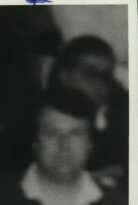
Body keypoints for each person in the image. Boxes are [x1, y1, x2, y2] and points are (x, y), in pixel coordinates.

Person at [51, 35, 128, 188]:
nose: (100, 84)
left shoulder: (121, 112)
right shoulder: (42, 120)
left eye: (106, 76)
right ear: (65, 76)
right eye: (90, 74)